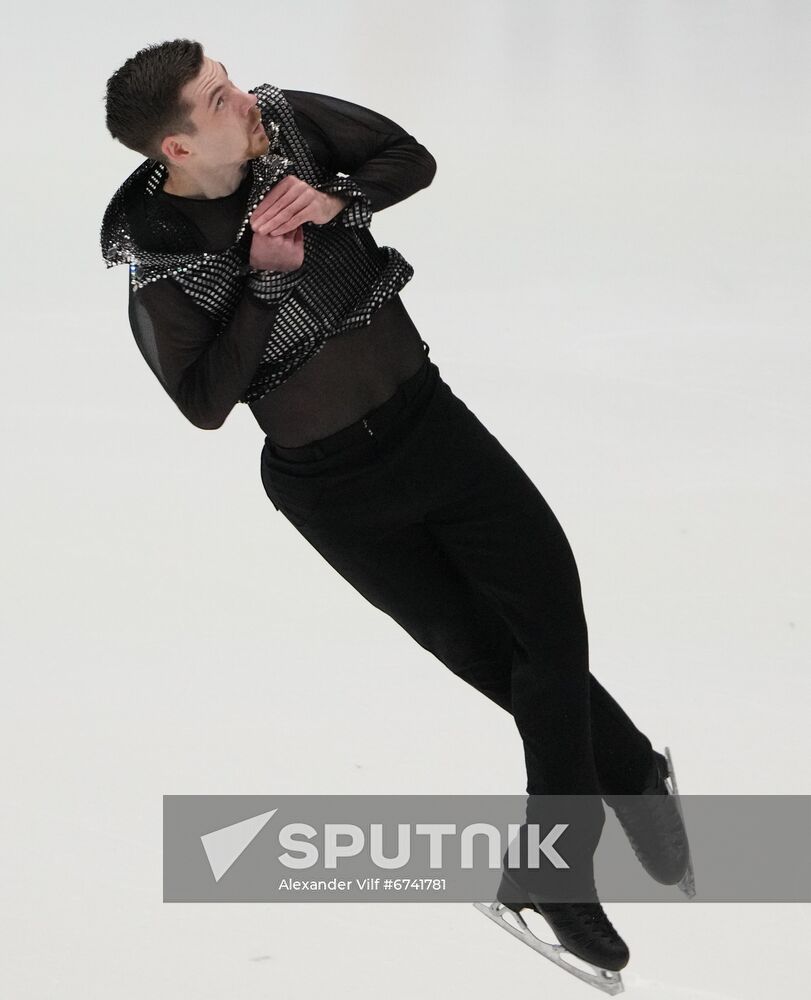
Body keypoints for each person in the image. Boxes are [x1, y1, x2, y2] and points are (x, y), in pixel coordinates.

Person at [100, 38, 690, 990]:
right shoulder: (160, 265)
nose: (242, 95)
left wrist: (340, 201)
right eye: (217, 97)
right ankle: (631, 771)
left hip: (435, 432)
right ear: (175, 146)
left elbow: (407, 156)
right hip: (334, 495)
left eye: (231, 77)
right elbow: (205, 402)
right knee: (498, 660)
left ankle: (552, 874)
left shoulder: (285, 125)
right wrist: (261, 278)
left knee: (551, 633)